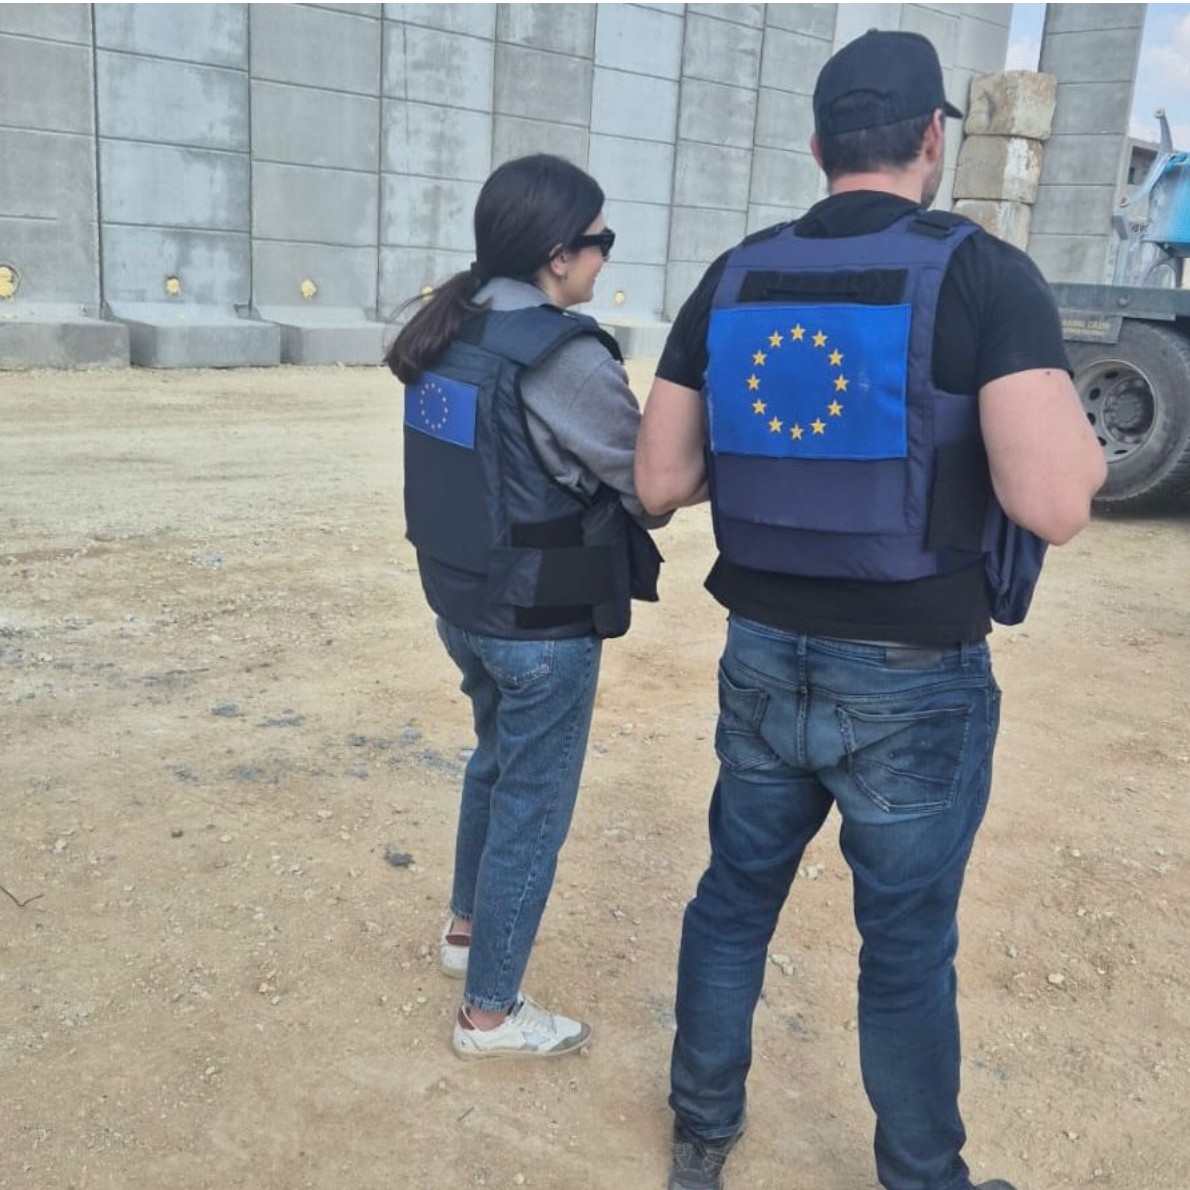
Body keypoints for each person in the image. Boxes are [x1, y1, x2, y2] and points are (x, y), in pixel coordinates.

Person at [635, 29, 1106, 1190]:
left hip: (759, 654)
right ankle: (921, 1177)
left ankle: (700, 1132)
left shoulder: (733, 273)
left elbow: (657, 481)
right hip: (909, 672)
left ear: (816, 145)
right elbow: (1051, 503)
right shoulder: (984, 275)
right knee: (902, 947)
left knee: (731, 902)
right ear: (932, 138)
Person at [387, 154, 667, 1062]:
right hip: (539, 623)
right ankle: (490, 1014)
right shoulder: (564, 355)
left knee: (495, 761)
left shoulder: (451, 325)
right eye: (601, 240)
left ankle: (466, 930)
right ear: (557, 254)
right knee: (532, 804)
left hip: (461, 603)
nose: (605, 257)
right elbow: (652, 488)